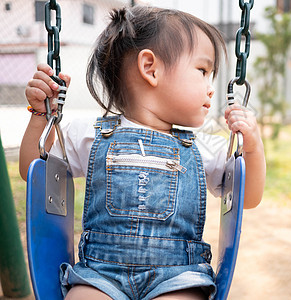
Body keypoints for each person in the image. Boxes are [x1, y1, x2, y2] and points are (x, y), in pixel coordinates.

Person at [20, 5, 265, 300]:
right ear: (150, 68)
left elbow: (247, 199)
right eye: (202, 71)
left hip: (178, 279)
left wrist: (252, 146)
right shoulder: (88, 133)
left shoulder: (204, 146)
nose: (210, 88)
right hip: (100, 276)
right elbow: (33, 169)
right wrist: (40, 115)